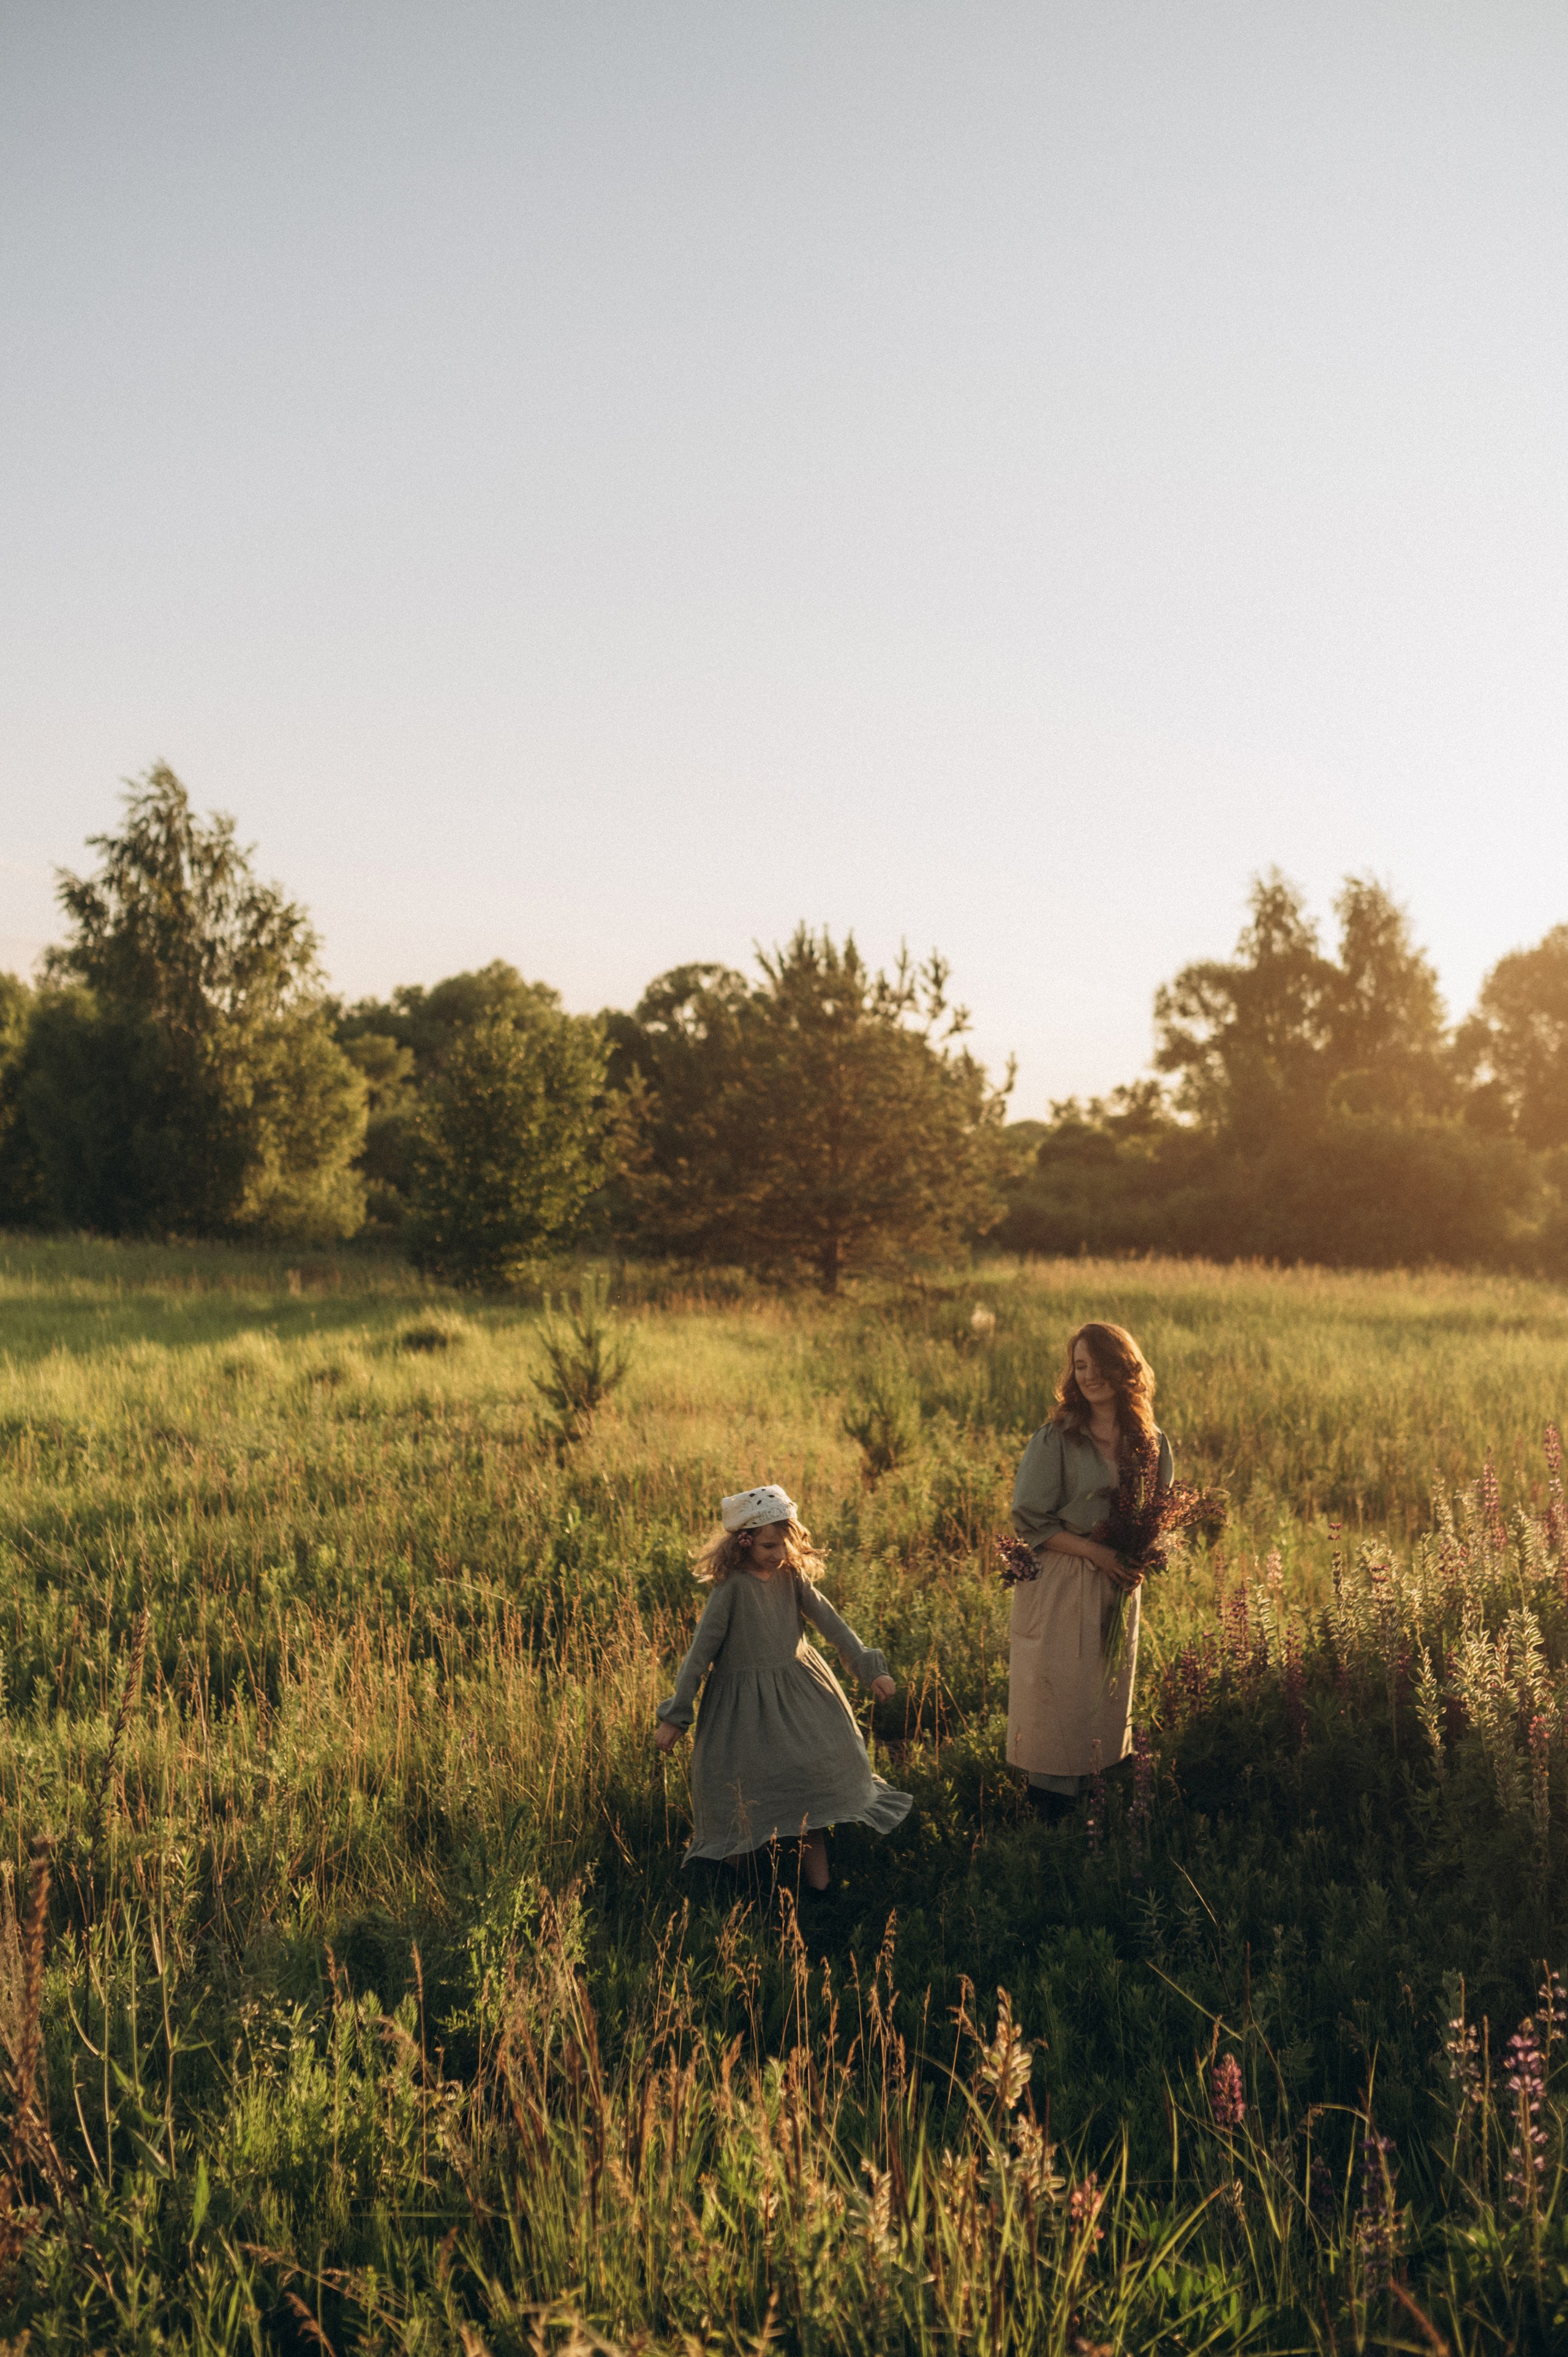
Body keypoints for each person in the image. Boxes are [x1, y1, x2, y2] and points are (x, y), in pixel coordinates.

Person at [653, 1484, 911, 1888]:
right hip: (742, 1710)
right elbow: (698, 1657)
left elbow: (832, 1625)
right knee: (740, 1792)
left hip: (800, 1695)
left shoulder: (791, 1578)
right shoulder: (730, 1590)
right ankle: (729, 1886)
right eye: (769, 1547)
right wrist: (676, 1717)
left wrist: (869, 1669)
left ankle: (822, 1891)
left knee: (810, 1787)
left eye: (785, 1546)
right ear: (744, 1543)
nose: (779, 1556)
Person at [1008, 1322, 1173, 1815]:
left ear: (1125, 1369)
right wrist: (1096, 1553)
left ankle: (1094, 1807)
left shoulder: (1151, 1442)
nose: (1090, 1377)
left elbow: (1158, 1515)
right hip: (1063, 1576)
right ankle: (1048, 1819)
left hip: (1118, 1585)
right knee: (1057, 1697)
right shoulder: (1057, 1437)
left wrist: (1140, 1554)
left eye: (1099, 1366)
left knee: (1103, 1695)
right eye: (1081, 1367)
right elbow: (1029, 1520)